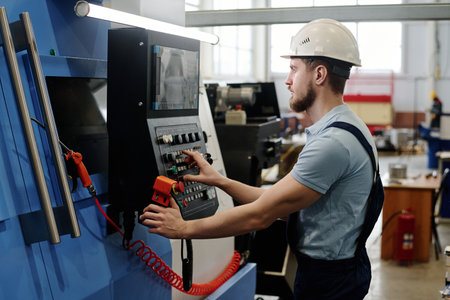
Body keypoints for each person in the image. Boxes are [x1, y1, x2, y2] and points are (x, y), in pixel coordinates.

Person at [140, 18, 379, 300]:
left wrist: (184, 228)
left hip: (329, 281)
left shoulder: (332, 144)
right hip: (337, 271)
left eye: (293, 69)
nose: (288, 80)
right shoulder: (346, 127)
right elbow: (278, 202)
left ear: (319, 74)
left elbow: (261, 215)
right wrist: (219, 181)